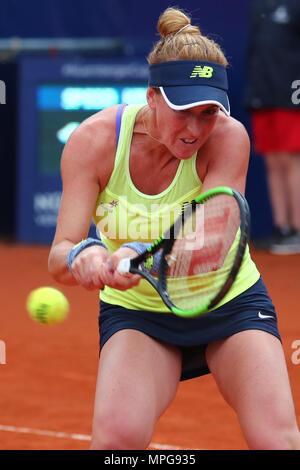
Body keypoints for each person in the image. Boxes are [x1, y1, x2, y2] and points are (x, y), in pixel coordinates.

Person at [48, 7, 300, 450]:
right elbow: (59, 254)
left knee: (276, 440)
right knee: (117, 442)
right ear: (151, 97)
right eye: (183, 111)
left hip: (230, 305)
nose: (195, 128)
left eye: (207, 113)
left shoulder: (229, 137)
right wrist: (83, 255)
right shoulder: (93, 142)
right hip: (139, 314)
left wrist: (141, 255)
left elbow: (213, 244)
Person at [245, 0, 300, 254]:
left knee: (291, 160)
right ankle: (282, 228)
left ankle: (297, 230)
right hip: (263, 95)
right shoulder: (261, 7)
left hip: (290, 96)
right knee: (272, 161)